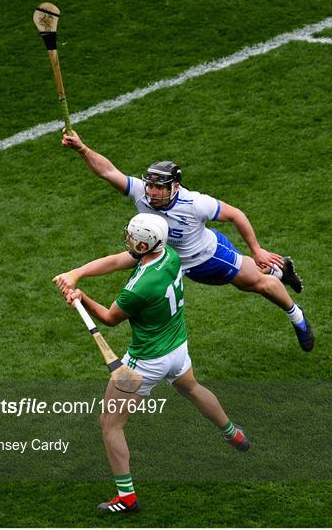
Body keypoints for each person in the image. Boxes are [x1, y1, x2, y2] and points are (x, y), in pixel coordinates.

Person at [54, 213, 250, 514]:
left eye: (133, 237)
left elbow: (108, 318)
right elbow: (120, 259)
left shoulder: (139, 289)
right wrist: (78, 273)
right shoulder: (169, 254)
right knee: (192, 388)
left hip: (144, 363)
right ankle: (232, 432)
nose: (128, 240)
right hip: (177, 349)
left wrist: (82, 298)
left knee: (110, 424)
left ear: (145, 243)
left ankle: (126, 497)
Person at [60, 131, 314, 352]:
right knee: (124, 259)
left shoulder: (195, 203)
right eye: (150, 185)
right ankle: (281, 270)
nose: (152, 192)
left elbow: (236, 214)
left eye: (159, 187)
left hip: (209, 258)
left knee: (259, 285)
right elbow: (107, 171)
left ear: (175, 187)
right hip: (165, 256)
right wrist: (82, 149)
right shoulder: (141, 194)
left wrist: (257, 250)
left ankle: (296, 315)